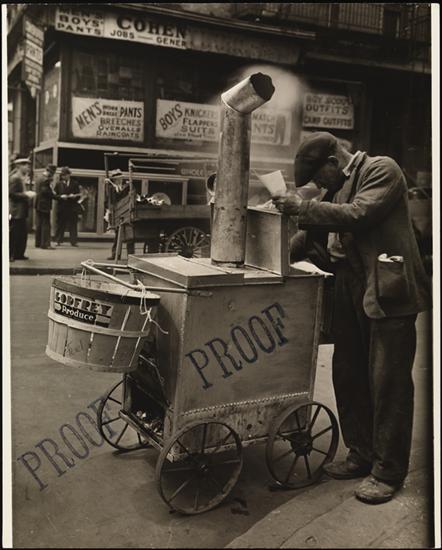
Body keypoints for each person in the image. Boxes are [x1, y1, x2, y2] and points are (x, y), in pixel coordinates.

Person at [273, 132, 431, 504]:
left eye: (319, 177)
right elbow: (311, 236)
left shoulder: (382, 170)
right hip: (348, 285)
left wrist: (302, 207)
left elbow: (360, 215)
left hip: (386, 287)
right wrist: (272, 254)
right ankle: (361, 453)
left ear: (334, 161)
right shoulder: (337, 188)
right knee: (348, 373)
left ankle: (387, 471)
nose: (320, 186)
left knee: (388, 382)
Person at [105, 169, 135, 260]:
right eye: (117, 179)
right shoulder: (111, 188)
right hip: (118, 214)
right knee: (118, 236)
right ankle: (116, 255)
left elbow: (130, 196)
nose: (119, 180)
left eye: (120, 178)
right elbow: (112, 200)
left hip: (127, 214)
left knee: (129, 236)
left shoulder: (127, 186)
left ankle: (131, 255)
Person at [9, 157, 32, 261]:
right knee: (14, 234)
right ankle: (10, 255)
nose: (28, 167)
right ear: (19, 166)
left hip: (21, 211)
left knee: (22, 234)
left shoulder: (20, 177)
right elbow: (12, 194)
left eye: (28, 165)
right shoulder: (15, 178)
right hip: (16, 211)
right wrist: (26, 195)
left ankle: (18, 254)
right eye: (25, 165)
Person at [54, 166, 81, 246]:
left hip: (72, 207)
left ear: (69, 175)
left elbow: (78, 195)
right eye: (62, 175)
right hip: (62, 207)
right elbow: (55, 195)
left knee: (73, 225)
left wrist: (74, 196)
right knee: (60, 224)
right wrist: (60, 197)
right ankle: (58, 240)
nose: (63, 177)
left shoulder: (75, 183)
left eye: (65, 175)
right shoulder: (58, 184)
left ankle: (73, 241)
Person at [35, 164, 57, 249]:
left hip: (38, 203)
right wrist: (56, 196)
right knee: (46, 224)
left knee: (39, 223)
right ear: (51, 172)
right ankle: (45, 244)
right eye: (53, 173)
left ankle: (38, 243)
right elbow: (46, 192)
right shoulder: (46, 179)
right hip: (44, 205)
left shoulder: (39, 178)